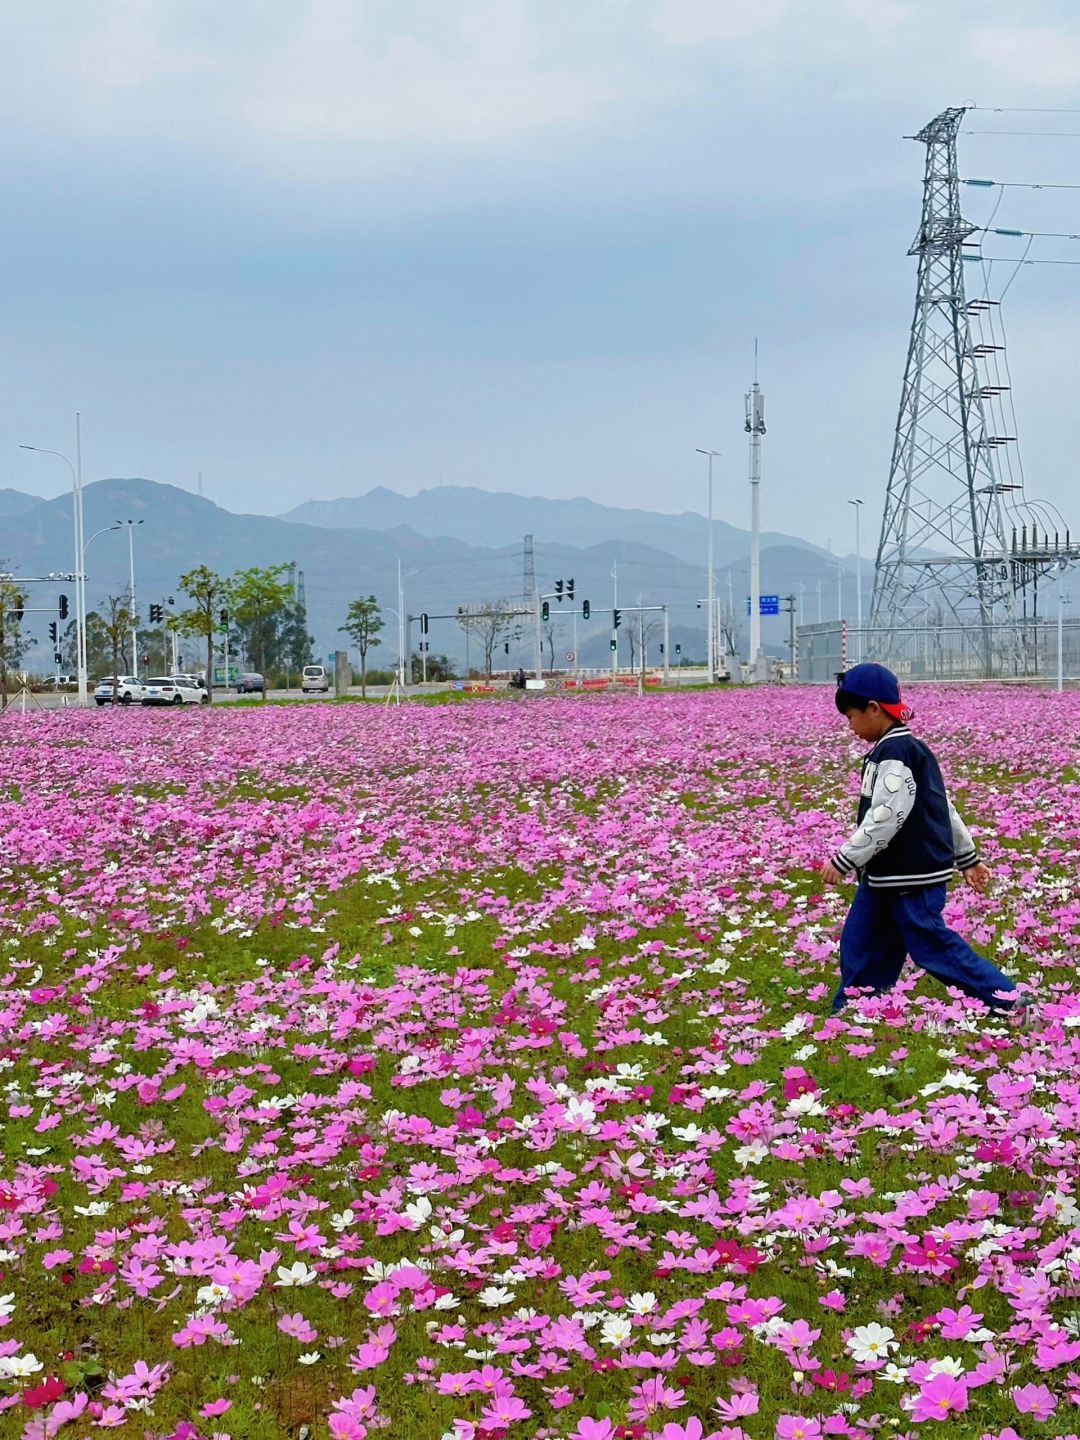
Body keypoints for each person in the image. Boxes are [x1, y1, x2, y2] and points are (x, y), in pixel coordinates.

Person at [822, 662, 1020, 1015]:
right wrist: (968, 857)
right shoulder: (898, 751)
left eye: (851, 715)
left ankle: (1008, 1001)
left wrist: (846, 857)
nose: (849, 725)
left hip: (911, 874)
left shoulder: (897, 754)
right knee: (863, 941)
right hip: (885, 875)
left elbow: (884, 817)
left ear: (873, 708)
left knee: (932, 947)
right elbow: (942, 808)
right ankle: (856, 1010)